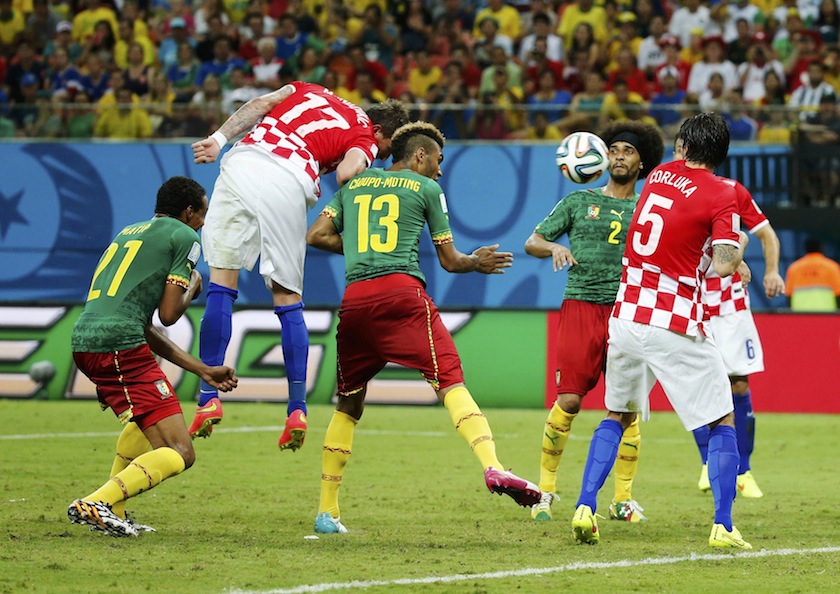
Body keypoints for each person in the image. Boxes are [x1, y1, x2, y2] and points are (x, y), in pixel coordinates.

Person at [305, 121, 540, 534]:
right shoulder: (428, 190)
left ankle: (327, 513)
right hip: (402, 297)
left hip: (356, 302)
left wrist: (361, 241)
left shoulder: (353, 187)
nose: (440, 170)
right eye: (438, 160)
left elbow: (316, 235)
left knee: (349, 404)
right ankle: (493, 467)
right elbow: (451, 261)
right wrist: (477, 262)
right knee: (451, 381)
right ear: (419, 156)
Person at [189, 82, 409, 450]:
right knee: (286, 297)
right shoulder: (364, 133)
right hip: (288, 176)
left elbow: (260, 104)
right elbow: (347, 174)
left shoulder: (310, 88)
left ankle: (207, 398)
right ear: (381, 131)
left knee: (222, 284)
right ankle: (296, 409)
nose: (382, 156)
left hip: (241, 162)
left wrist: (218, 138)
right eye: (386, 150)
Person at [570, 112, 752, 549]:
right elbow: (723, 263)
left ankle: (584, 506)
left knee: (617, 413)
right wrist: (737, 250)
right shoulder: (723, 194)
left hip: (627, 315)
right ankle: (724, 525)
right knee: (723, 417)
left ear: (683, 149)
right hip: (673, 320)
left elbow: (670, 231)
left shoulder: (658, 177)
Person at [68, 176, 239, 537]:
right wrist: (192, 287)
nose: (204, 222)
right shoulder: (185, 237)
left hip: (88, 337)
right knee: (180, 450)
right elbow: (169, 315)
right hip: (119, 344)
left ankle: (112, 509)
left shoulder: (129, 232)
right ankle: (97, 502)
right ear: (188, 211)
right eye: (202, 213)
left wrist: (202, 369)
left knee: (144, 421)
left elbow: (147, 327)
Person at [524, 121, 664, 523]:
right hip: (581, 307)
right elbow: (532, 241)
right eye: (614, 149)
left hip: (629, 312)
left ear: (642, 163)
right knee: (568, 400)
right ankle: (546, 491)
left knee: (628, 409)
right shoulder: (576, 201)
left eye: (628, 151)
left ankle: (622, 499)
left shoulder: (647, 209)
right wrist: (553, 247)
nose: (619, 156)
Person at [672, 135, 785, 499]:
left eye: (682, 150)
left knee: (738, 385)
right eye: (675, 150)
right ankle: (708, 463)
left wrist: (771, 271)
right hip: (693, 305)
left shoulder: (730, 191)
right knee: (700, 388)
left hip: (731, 307)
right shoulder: (666, 190)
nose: (679, 156)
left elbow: (763, 234)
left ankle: (744, 471)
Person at [785, 237, 840, 311]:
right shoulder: (832, 267)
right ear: (821, 248)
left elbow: (789, 296)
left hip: (800, 315)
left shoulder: (794, 268)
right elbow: (838, 294)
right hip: (826, 315)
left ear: (805, 249)